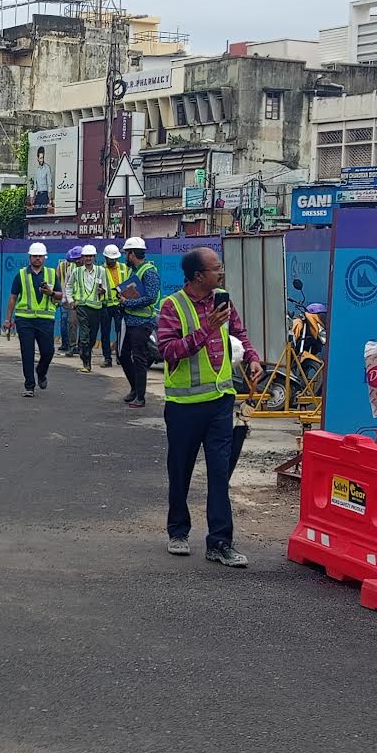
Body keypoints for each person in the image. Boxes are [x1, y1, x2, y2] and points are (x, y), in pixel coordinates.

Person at [157, 247, 261, 567]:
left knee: (219, 473)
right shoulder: (172, 306)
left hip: (220, 402)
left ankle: (220, 542)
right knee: (180, 470)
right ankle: (178, 531)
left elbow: (239, 333)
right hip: (184, 406)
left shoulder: (222, 300)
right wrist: (207, 330)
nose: (222, 273)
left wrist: (253, 357)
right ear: (198, 276)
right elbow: (169, 350)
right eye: (216, 269)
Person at [4, 241, 60, 398]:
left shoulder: (51, 274)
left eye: (40, 256)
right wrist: (8, 319)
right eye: (35, 256)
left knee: (48, 352)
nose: (37, 259)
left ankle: (41, 372)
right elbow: (13, 298)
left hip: (45, 320)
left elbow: (60, 295)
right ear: (29, 257)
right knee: (27, 353)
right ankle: (29, 386)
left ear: (44, 258)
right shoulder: (21, 274)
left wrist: (51, 293)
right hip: (25, 320)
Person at [115, 237, 161, 409]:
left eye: (126, 253)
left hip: (142, 322)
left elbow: (151, 298)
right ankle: (135, 389)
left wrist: (127, 302)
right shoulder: (133, 270)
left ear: (132, 253)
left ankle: (140, 396)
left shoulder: (149, 272)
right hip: (130, 320)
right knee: (123, 355)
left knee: (139, 358)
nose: (125, 256)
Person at [68, 242, 110, 371]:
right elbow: (69, 286)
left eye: (90, 256)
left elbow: (106, 288)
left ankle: (85, 352)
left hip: (96, 308)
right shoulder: (77, 271)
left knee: (92, 336)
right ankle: (87, 362)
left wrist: (103, 292)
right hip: (82, 306)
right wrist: (71, 301)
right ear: (82, 257)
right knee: (85, 335)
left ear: (94, 257)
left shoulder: (101, 271)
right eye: (86, 256)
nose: (88, 258)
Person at [96, 243, 125, 368]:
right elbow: (97, 288)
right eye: (110, 259)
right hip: (106, 305)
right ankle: (107, 358)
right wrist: (100, 292)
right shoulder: (100, 270)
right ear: (105, 258)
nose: (112, 261)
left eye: (114, 259)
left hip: (120, 304)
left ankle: (120, 356)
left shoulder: (124, 268)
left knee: (121, 332)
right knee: (105, 333)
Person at [56, 247, 81, 355]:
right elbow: (67, 284)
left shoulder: (94, 269)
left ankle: (81, 346)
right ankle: (71, 346)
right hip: (72, 301)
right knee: (71, 323)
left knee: (84, 326)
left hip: (87, 301)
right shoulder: (70, 268)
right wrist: (66, 298)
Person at [31, 145, 52, 213]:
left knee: (42, 213)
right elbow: (35, 185)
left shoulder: (47, 168)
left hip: (45, 195)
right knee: (34, 213)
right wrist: (33, 198)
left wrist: (50, 200)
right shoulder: (36, 170)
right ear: (37, 158)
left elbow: (49, 184)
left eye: (42, 158)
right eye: (40, 158)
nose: (42, 160)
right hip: (38, 195)